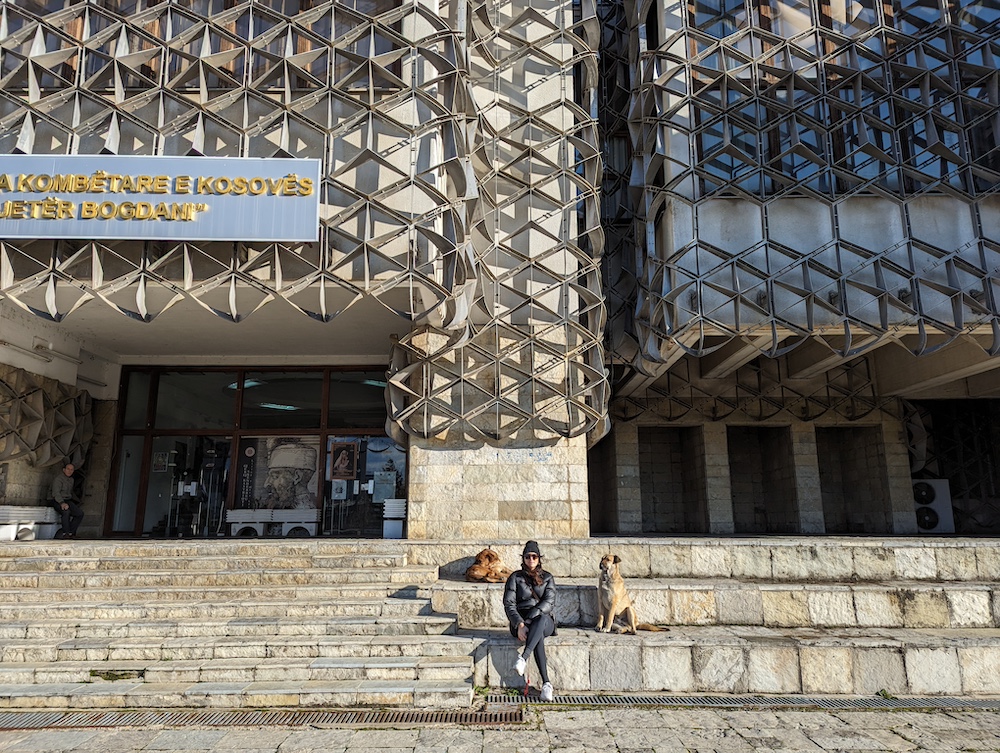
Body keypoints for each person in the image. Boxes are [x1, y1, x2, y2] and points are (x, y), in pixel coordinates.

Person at [503, 540, 556, 702]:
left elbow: (548, 603)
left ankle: (523, 658)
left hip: (543, 620)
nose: (531, 560)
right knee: (537, 635)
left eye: (534, 556)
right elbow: (509, 603)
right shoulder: (515, 577)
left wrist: (528, 620)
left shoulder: (547, 578)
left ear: (539, 558)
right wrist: (519, 623)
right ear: (523, 558)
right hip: (520, 623)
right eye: (528, 557)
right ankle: (547, 684)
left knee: (539, 621)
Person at [48, 462, 83, 539]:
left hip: (67, 500)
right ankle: (65, 533)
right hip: (56, 500)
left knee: (79, 513)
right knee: (66, 512)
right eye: (68, 469)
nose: (69, 471)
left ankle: (71, 533)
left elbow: (70, 493)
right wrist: (62, 503)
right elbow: (55, 493)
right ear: (64, 470)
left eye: (71, 470)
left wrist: (77, 500)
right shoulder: (58, 479)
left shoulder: (71, 480)